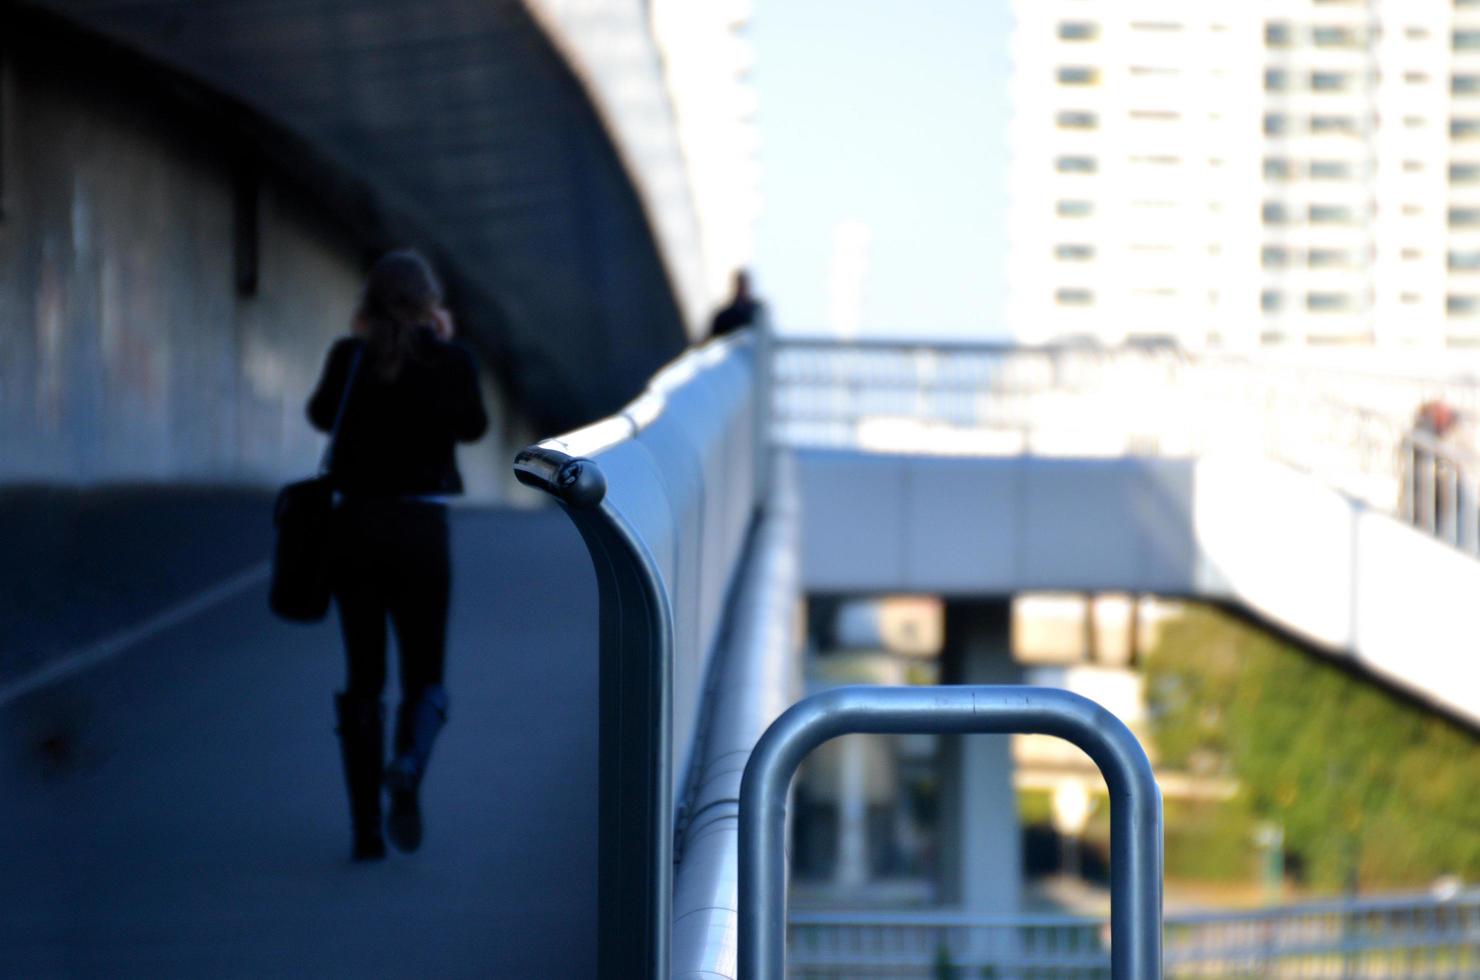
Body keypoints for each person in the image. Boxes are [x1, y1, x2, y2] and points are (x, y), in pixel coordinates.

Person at [306, 249, 488, 861]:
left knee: (363, 677)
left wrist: (360, 349)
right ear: (429, 302)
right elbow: (475, 427)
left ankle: (364, 830)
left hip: (353, 528)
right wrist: (443, 346)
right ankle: (407, 766)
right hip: (421, 530)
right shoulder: (450, 360)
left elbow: (319, 415)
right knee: (425, 673)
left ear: (370, 300)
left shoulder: (349, 358)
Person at [709, 268, 764, 339]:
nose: (743, 288)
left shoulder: (759, 311)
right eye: (740, 285)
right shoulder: (723, 317)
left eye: (745, 284)